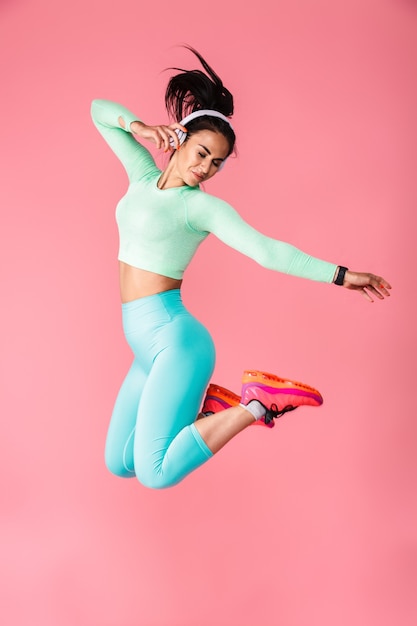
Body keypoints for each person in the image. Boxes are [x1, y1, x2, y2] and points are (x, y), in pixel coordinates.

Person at [91, 47, 391, 489]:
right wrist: (139, 127)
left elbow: (268, 251)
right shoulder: (141, 176)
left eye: (217, 163)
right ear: (180, 138)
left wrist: (342, 275)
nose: (205, 168)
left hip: (176, 342)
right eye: (201, 153)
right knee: (120, 463)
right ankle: (215, 411)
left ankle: (257, 404)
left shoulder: (200, 208)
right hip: (143, 345)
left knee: (154, 475)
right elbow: (99, 112)